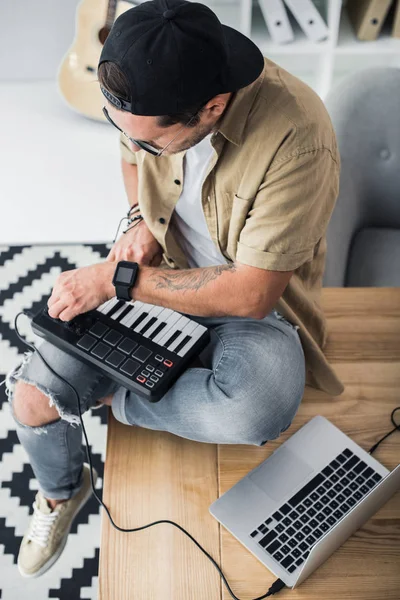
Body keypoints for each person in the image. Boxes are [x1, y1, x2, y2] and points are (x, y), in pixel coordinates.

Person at [6, 0, 344, 579]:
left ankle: (121, 402)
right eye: (123, 133)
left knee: (257, 408)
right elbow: (131, 159)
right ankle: (63, 492)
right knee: (32, 400)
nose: (134, 149)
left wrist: (120, 283)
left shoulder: (298, 138)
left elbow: (250, 295)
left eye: (152, 143)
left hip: (251, 308)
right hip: (153, 270)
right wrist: (139, 219)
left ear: (212, 107)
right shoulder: (146, 85)